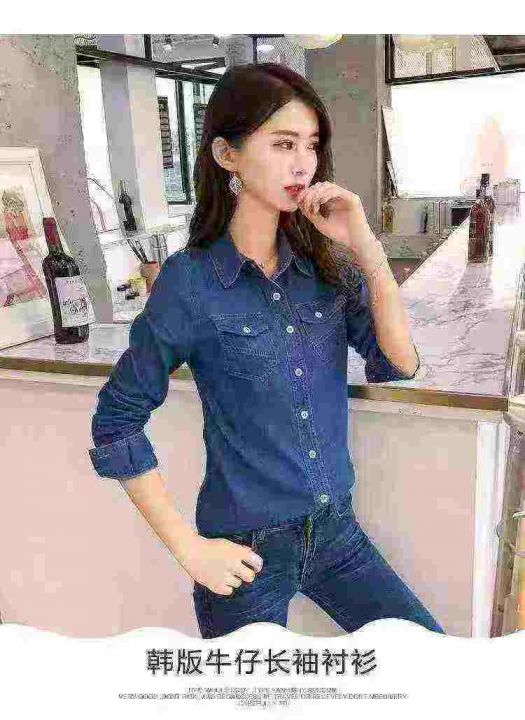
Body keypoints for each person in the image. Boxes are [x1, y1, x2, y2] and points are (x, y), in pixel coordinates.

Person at [88, 63, 445, 638]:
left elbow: (399, 363)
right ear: (227, 154)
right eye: (283, 144)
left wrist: (366, 248)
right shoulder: (190, 283)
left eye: (311, 145)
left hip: (336, 533)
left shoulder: (324, 267)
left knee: (432, 661)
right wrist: (189, 548)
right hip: (246, 552)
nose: (303, 164)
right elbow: (116, 421)